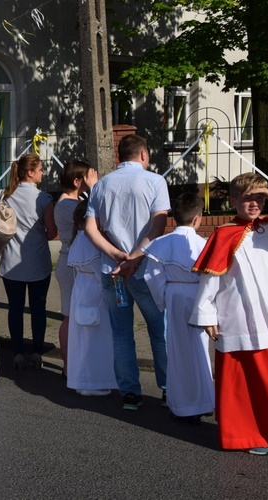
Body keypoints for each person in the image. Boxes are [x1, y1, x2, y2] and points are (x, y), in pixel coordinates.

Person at [190, 173, 268, 454]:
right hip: (239, 315)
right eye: (248, 197)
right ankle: (248, 435)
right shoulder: (224, 233)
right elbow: (209, 280)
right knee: (242, 381)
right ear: (233, 200)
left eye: (260, 197)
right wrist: (206, 314)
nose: (255, 203)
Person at [85, 133, 170, 411]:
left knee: (122, 332)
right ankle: (168, 387)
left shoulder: (102, 185)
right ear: (143, 154)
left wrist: (115, 255)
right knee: (160, 331)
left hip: (113, 270)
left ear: (119, 156)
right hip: (145, 270)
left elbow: (90, 228)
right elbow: (157, 227)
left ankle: (130, 392)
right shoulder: (156, 181)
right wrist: (134, 258)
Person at [143, 193, 213, 422]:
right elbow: (214, 278)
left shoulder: (161, 244)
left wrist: (163, 299)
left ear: (174, 217)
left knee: (176, 350)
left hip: (173, 294)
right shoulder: (204, 244)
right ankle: (204, 400)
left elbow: (151, 276)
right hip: (198, 296)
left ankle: (182, 403)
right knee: (200, 349)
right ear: (197, 219)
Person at [0, 154, 57, 370]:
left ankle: (17, 352)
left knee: (15, 308)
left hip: (11, 261)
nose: (43, 172)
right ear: (30, 173)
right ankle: (37, 352)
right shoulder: (44, 199)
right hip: (37, 261)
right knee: (38, 308)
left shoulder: (5, 195)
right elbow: (52, 233)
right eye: (40, 169)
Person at [66, 200, 118, 396]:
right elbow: (99, 270)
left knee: (82, 338)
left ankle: (83, 379)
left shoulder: (77, 239)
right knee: (96, 337)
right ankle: (94, 381)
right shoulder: (90, 241)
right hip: (95, 290)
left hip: (81, 288)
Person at [54, 161, 98, 375]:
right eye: (87, 177)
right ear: (77, 181)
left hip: (71, 259)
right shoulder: (69, 205)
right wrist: (95, 189)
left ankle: (72, 363)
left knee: (72, 315)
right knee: (70, 316)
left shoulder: (71, 202)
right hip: (73, 261)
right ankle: (69, 364)